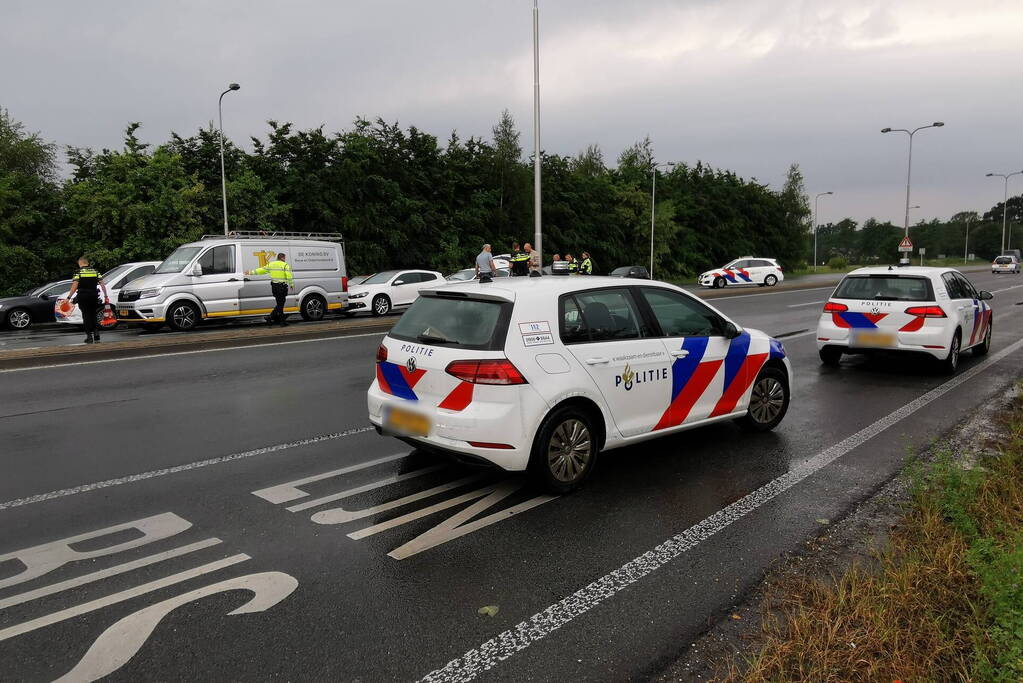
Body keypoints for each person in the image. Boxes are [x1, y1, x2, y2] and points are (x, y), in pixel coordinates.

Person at [66, 257, 109, 344]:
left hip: (83, 296)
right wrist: (105, 295)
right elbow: (102, 284)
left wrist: (68, 297)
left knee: (86, 316)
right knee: (93, 314)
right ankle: (96, 334)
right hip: (94, 296)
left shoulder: (78, 272)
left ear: (80, 263)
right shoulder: (95, 271)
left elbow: (75, 285)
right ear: (87, 263)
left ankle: (89, 336)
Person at [246, 252, 294, 326]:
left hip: (274, 287)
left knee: (280, 304)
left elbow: (261, 270)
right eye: (284, 258)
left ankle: (277, 319)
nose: (285, 259)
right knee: (280, 304)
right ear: (282, 258)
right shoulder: (285, 265)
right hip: (282, 287)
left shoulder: (271, 264)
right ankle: (274, 319)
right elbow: (289, 275)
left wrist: (250, 272)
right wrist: (291, 284)